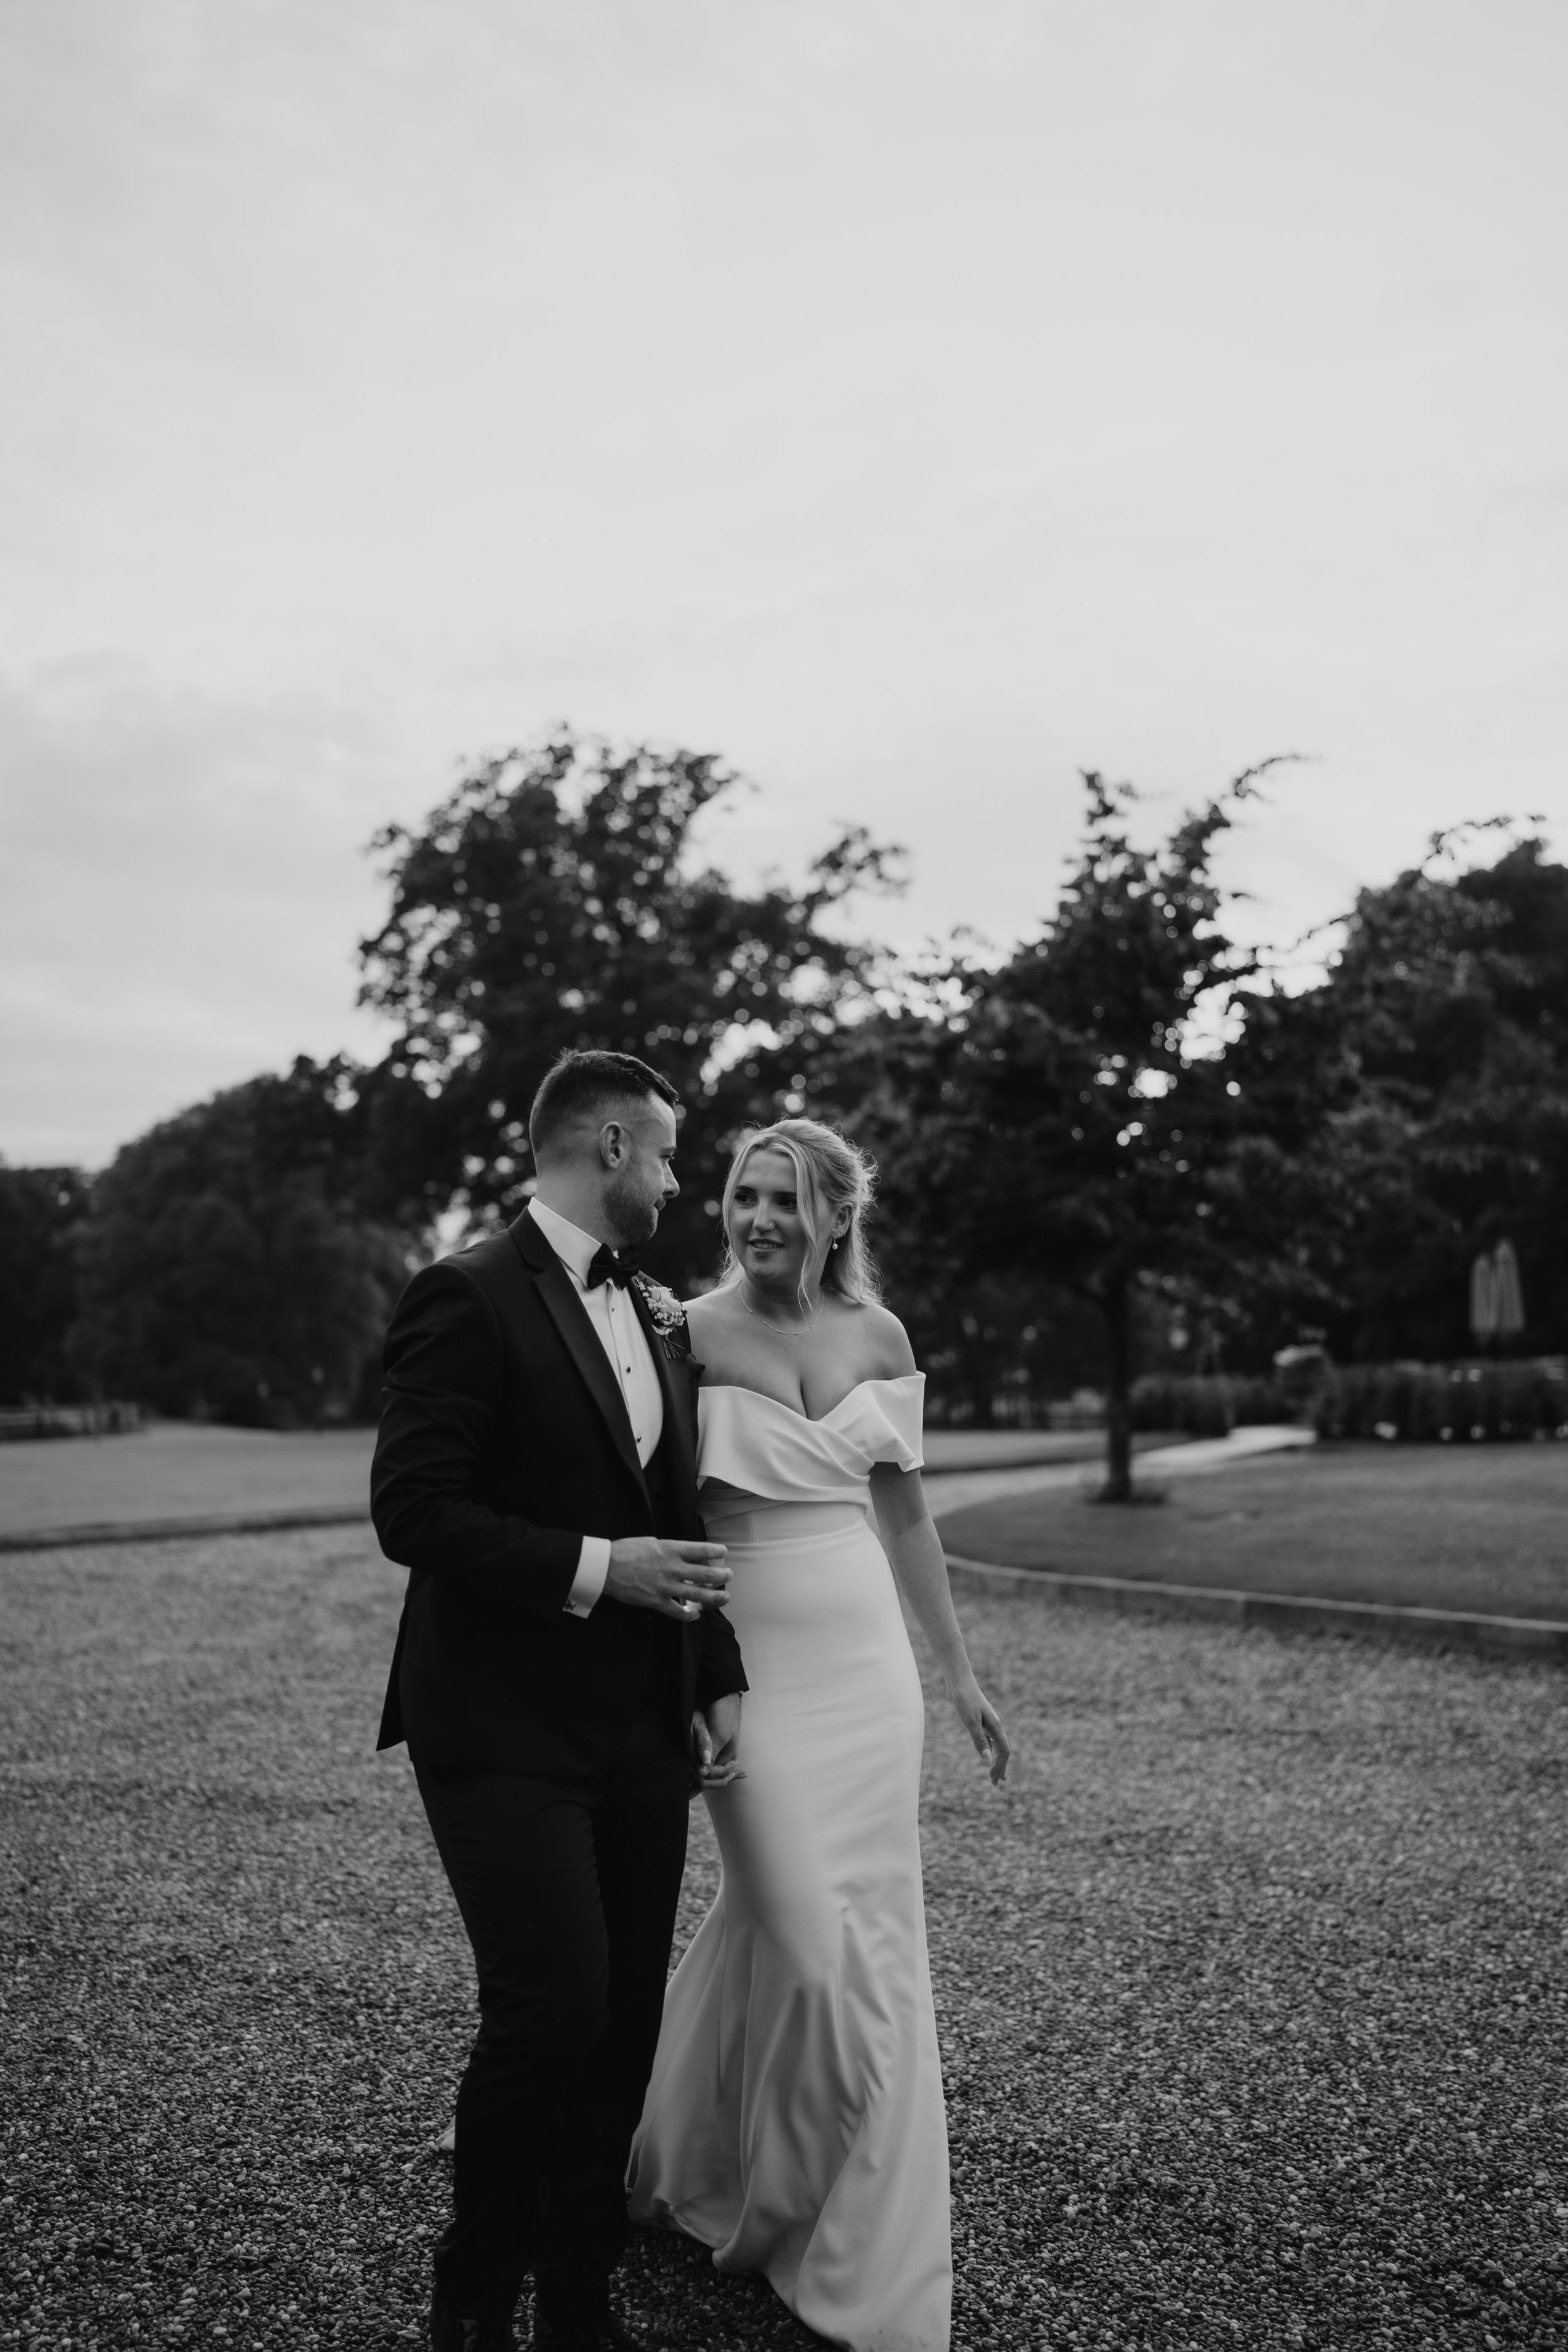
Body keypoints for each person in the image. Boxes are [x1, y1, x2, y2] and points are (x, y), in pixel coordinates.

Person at [371, 1049, 748, 2352]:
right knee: (554, 2006)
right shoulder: (464, 1294)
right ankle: (474, 2288)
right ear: (601, 1146)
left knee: (626, 2014)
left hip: (640, 1723)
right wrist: (603, 1571)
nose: (673, 1177)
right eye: (663, 1152)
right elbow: (413, 1512)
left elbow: (673, 1512)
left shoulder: (651, 1309)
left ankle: (579, 2293)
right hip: (497, 1724)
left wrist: (717, 1676)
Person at [627, 1118, 1009, 2352]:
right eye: (744, 1196)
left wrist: (953, 1674)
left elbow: (901, 1517)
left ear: (836, 1215)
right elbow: (646, 1506)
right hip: (749, 1677)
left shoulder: (877, 1338)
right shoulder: (682, 1331)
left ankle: (858, 2243)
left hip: (866, 1676)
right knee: (793, 1930)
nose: (759, 1220)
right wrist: (681, 1676)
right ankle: (744, 2181)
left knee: (871, 1938)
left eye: (786, 1200)